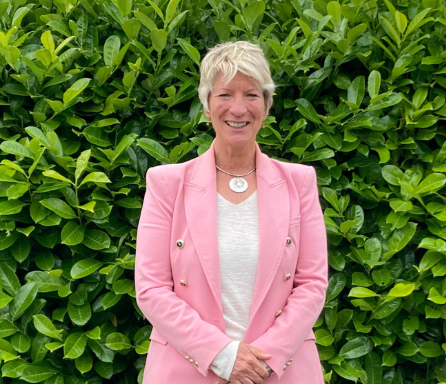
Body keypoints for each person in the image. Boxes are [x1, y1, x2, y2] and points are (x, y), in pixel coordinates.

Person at [134, 41, 328, 384]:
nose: (238, 109)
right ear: (207, 105)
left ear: (266, 105)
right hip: (186, 370)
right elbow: (151, 288)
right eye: (224, 94)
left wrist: (263, 360)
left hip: (280, 370)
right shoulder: (166, 184)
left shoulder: (300, 182)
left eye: (251, 95)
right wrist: (223, 355)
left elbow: (312, 283)